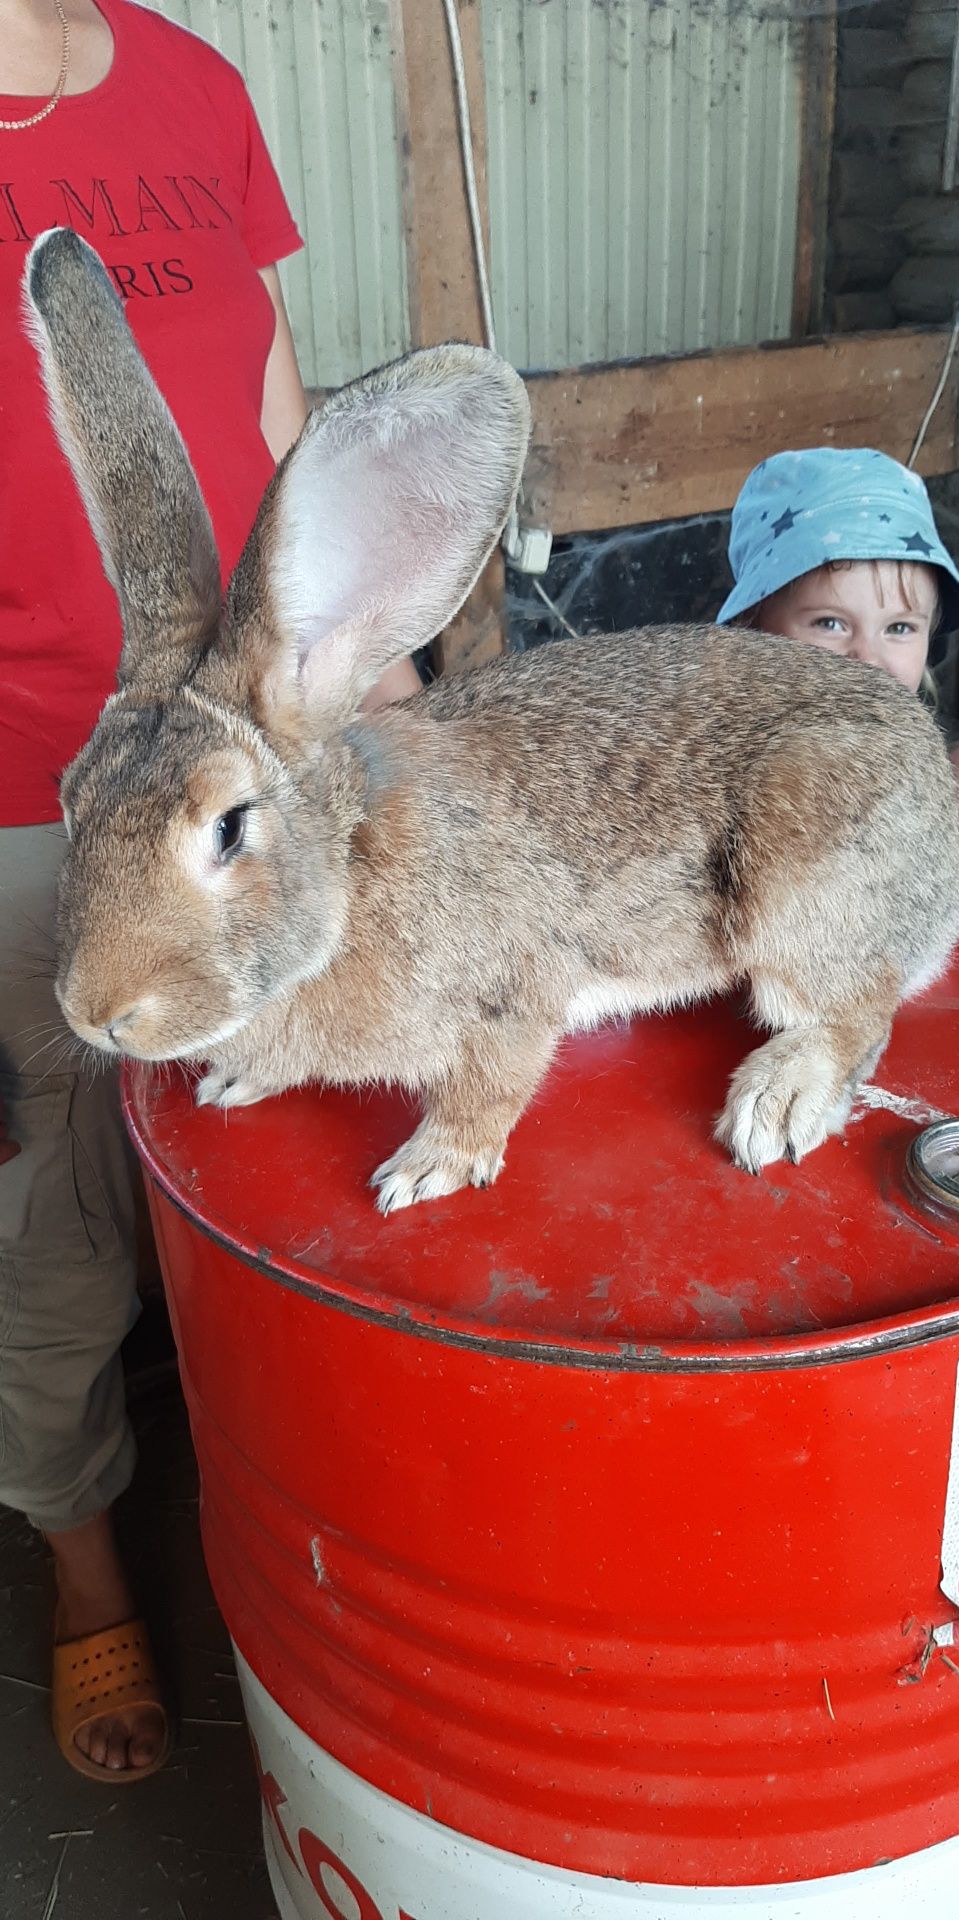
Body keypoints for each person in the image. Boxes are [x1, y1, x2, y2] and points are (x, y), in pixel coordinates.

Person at [1, 0, 419, 1783]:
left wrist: (369, 676)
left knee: (326, 1124)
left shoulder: (187, 75)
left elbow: (268, 396)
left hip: (267, 751)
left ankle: (338, 1537)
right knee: (60, 1216)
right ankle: (86, 1555)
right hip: (44, 791)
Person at [717, 447, 959, 835]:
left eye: (899, 628)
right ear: (749, 628)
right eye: (829, 623)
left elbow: (926, 830)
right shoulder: (720, 751)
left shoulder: (882, 739)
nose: (868, 660)